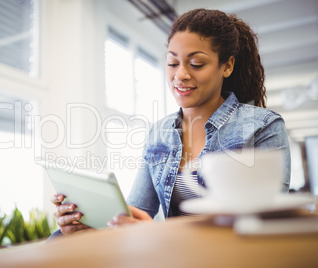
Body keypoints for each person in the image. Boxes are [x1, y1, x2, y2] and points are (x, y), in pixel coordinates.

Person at [50, 8, 291, 236]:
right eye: (172, 63)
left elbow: (265, 226)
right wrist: (88, 224)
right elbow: (137, 212)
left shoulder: (263, 126)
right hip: (172, 257)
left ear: (226, 66)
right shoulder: (159, 133)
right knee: (57, 240)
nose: (181, 75)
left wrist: (157, 234)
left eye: (196, 63)